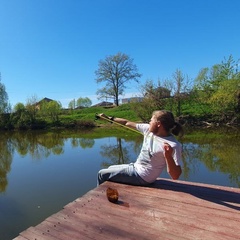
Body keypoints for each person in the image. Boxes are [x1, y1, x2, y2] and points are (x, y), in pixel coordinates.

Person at [97, 110, 183, 186]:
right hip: (135, 167)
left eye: (151, 120)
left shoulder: (174, 145)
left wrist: (168, 156)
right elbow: (126, 123)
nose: (149, 122)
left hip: (143, 177)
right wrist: (108, 118)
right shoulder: (148, 130)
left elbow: (175, 176)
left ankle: (99, 199)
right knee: (110, 168)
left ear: (158, 124)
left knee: (102, 174)